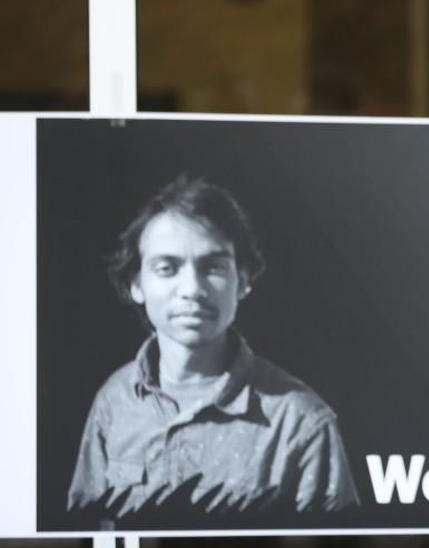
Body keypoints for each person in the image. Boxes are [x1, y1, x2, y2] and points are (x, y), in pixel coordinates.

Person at [67, 175, 359, 520]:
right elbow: (90, 532)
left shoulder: (301, 423)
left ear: (243, 281)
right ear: (136, 284)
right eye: (167, 268)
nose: (192, 289)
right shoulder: (114, 400)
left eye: (214, 267)